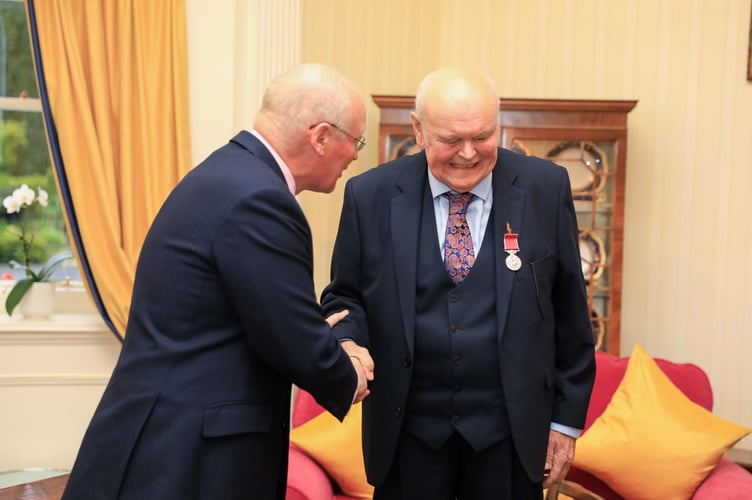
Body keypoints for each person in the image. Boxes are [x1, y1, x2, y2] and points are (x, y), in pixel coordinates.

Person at [62, 63, 374, 500]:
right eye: (356, 140)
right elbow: (293, 340)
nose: (357, 155)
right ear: (321, 136)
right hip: (185, 457)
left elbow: (247, 317)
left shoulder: (228, 175)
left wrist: (302, 332)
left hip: (164, 436)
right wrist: (350, 368)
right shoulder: (262, 201)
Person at [320, 66, 596, 500]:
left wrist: (564, 424)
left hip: (511, 441)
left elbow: (571, 316)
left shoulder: (546, 187)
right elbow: (345, 295)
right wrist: (349, 343)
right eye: (451, 139)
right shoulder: (369, 195)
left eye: (482, 136)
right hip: (407, 438)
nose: (468, 154)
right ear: (419, 130)